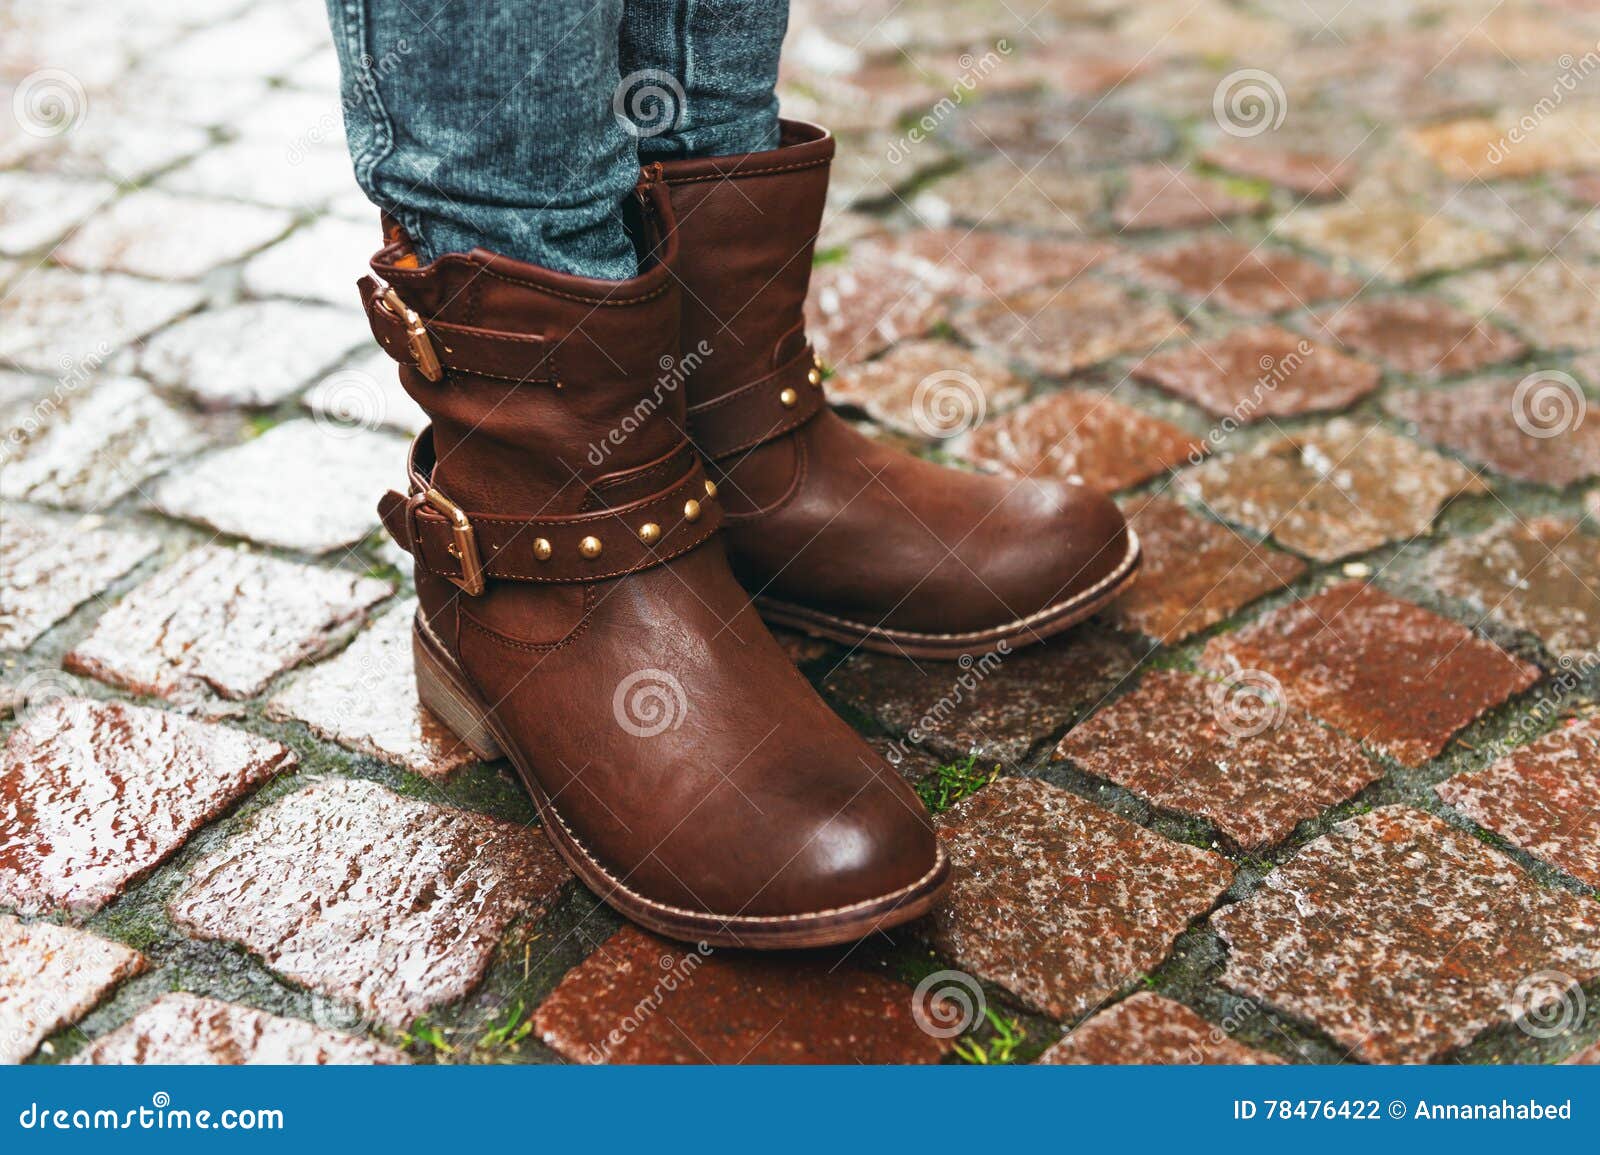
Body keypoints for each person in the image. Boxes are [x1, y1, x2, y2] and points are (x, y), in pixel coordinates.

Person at [325, 0, 1139, 948]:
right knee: (520, 146)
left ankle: (737, 459)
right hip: (553, 548)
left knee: (704, 89)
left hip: (725, 444)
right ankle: (531, 599)